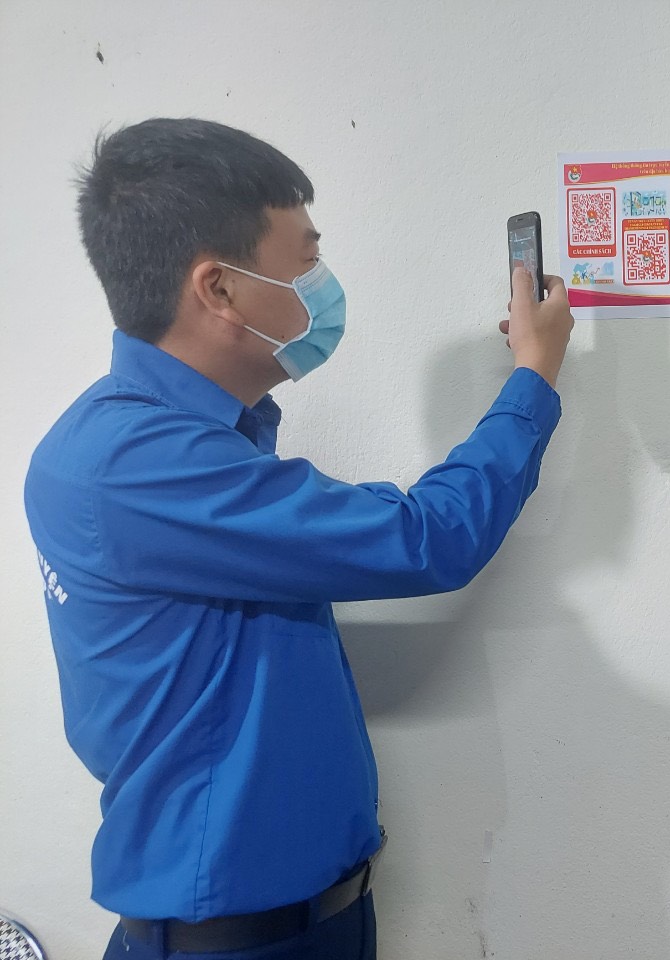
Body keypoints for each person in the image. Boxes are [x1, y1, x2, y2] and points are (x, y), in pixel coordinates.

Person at [25, 118, 574, 959]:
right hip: (234, 941)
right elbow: (427, 539)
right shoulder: (137, 464)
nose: (321, 285)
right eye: (304, 261)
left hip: (300, 921)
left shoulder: (169, 444)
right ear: (219, 288)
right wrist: (534, 376)